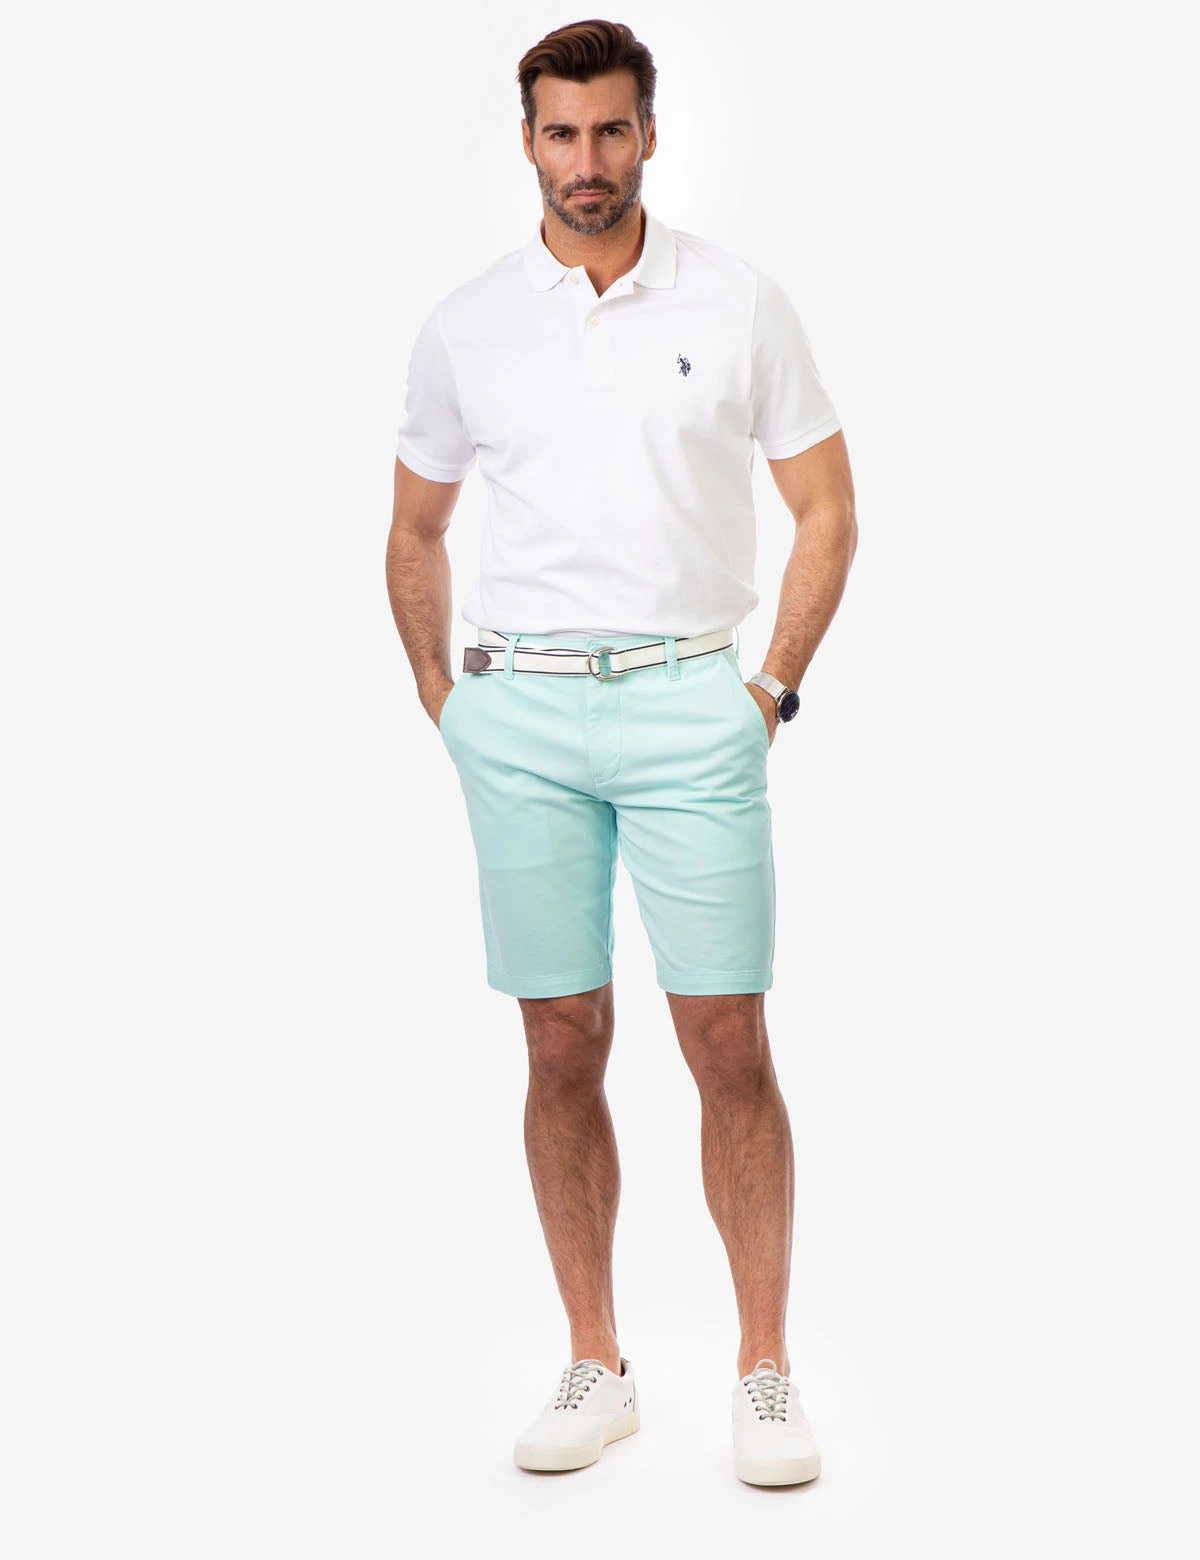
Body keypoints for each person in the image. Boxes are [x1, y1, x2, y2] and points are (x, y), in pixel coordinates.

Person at [385, 18, 857, 1486]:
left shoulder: (738, 300)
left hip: (690, 706)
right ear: (526, 142)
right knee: (558, 1039)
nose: (584, 161)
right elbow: (414, 530)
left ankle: (765, 1370)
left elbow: (827, 510)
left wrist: (767, 691)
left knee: (728, 1040)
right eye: (560, 133)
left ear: (649, 133)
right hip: (519, 716)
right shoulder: (468, 324)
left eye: (608, 130)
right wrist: (448, 703)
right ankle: (595, 1360)